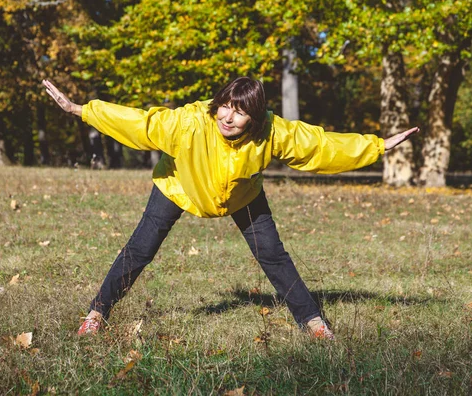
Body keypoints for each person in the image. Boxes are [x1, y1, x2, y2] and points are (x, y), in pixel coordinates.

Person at [42, 77, 419, 340]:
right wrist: (81, 110)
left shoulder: (272, 131)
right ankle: (96, 314)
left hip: (242, 195)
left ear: (254, 117)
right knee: (140, 249)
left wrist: (378, 146)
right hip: (179, 185)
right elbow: (140, 123)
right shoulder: (190, 122)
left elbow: (320, 147)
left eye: (239, 112)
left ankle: (314, 321)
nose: (227, 117)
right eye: (224, 106)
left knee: (273, 255)